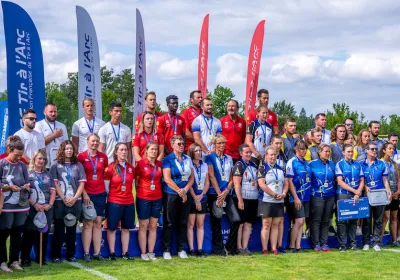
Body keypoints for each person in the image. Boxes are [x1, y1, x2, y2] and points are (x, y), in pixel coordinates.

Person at [51, 140, 86, 263]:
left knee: (71, 230)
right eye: (67, 149)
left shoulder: (78, 165)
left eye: (71, 148)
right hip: (60, 201)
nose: (69, 151)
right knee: (59, 229)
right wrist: (64, 198)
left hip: (75, 201)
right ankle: (56, 255)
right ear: (62, 150)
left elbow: (82, 184)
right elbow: (55, 184)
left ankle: (71, 255)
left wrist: (75, 198)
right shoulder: (55, 165)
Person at [20, 150, 55, 266]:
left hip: (46, 208)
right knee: (29, 232)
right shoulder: (28, 174)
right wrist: (34, 204)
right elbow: (25, 193)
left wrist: (49, 205)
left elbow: (53, 191)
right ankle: (25, 258)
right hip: (32, 207)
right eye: (39, 158)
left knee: (43, 232)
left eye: (44, 159)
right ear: (34, 159)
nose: (42, 161)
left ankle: (41, 258)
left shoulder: (48, 174)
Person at [77, 134, 109, 262]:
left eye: (97, 141)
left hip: (100, 193)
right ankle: (86, 253)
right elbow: (79, 177)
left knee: (97, 223)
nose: (95, 143)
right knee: (88, 223)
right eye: (93, 141)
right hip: (87, 194)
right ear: (87, 142)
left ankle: (97, 253)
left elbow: (104, 175)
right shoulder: (81, 157)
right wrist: (84, 193)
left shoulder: (103, 157)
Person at [0, 138, 30, 272]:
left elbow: (28, 181)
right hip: (6, 205)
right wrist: (8, 188)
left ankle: (14, 261)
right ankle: (1, 262)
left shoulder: (22, 165)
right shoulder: (1, 164)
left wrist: (27, 186)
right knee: (3, 233)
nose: (18, 157)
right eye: (16, 155)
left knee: (17, 233)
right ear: (9, 150)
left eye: (20, 155)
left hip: (21, 205)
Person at [162, 135, 194, 259]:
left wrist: (185, 190)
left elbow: (191, 177)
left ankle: (181, 249)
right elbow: (167, 178)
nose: (182, 146)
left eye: (182, 143)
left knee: (183, 221)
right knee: (169, 222)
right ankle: (166, 250)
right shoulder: (168, 159)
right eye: (179, 144)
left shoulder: (187, 158)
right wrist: (179, 191)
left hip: (185, 193)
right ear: (172, 145)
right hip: (171, 193)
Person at [104, 143, 135, 261]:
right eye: (121, 150)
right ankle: (112, 253)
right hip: (114, 202)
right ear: (116, 152)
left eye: (126, 150)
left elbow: (131, 184)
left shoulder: (131, 168)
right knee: (112, 228)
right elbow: (106, 188)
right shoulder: (110, 168)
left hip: (128, 202)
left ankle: (125, 253)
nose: (124, 152)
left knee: (126, 228)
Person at [206, 135, 234, 256]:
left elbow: (232, 177)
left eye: (223, 143)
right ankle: (218, 249)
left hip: (227, 192)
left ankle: (230, 247)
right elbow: (211, 176)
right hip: (214, 193)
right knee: (216, 221)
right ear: (214, 144)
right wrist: (219, 194)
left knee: (236, 219)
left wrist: (227, 190)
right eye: (219, 143)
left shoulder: (229, 158)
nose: (221, 145)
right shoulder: (209, 157)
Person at [360, 142, 392, 251]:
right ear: (366, 150)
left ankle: (377, 242)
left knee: (378, 220)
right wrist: (364, 186)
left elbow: (385, 180)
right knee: (367, 220)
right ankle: (366, 242)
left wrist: (388, 191)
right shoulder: (361, 164)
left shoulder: (381, 164)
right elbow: (361, 180)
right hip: (366, 195)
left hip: (379, 195)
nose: (374, 151)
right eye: (372, 149)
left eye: (375, 149)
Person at [257, 146, 288, 255]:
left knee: (275, 225)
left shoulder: (281, 169)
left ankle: (274, 248)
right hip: (266, 199)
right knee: (266, 224)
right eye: (271, 154)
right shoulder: (262, 168)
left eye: (275, 155)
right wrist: (274, 194)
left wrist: (283, 193)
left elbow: (286, 184)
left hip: (279, 200)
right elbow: (261, 184)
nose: (273, 157)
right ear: (266, 155)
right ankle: (265, 248)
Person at [135, 142, 163, 261]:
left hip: (157, 198)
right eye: (151, 149)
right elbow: (136, 181)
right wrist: (142, 192)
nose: (154, 151)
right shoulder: (140, 164)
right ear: (146, 151)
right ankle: (143, 252)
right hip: (144, 198)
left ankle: (151, 252)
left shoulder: (160, 164)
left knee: (153, 226)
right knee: (143, 225)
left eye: (156, 149)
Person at [335, 144, 365, 251]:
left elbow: (362, 180)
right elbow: (340, 182)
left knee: (353, 220)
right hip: (343, 194)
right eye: (348, 151)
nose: (350, 153)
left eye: (352, 151)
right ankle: (342, 244)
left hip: (355, 195)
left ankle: (353, 243)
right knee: (342, 220)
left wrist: (358, 193)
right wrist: (355, 191)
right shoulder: (339, 164)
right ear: (343, 152)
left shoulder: (358, 164)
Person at [231, 144, 258, 255]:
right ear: (241, 153)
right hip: (242, 197)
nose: (248, 154)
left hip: (253, 198)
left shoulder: (253, 164)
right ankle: (239, 247)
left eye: (249, 152)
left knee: (248, 223)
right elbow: (236, 183)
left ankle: (245, 247)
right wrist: (240, 200)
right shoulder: (239, 164)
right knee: (241, 223)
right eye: (246, 152)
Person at [309, 143, 336, 252]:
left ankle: (324, 243)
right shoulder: (312, 164)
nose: (328, 153)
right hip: (317, 196)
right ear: (319, 152)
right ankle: (316, 243)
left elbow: (334, 179)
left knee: (326, 220)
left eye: (329, 151)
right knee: (316, 220)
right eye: (325, 151)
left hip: (330, 195)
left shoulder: (332, 164)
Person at [286, 140, 311, 253]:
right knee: (299, 221)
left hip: (306, 196)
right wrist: (295, 197)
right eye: (301, 149)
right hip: (296, 197)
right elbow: (289, 181)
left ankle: (298, 246)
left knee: (302, 222)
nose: (303, 151)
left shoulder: (306, 162)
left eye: (305, 148)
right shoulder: (291, 162)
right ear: (296, 149)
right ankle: (292, 246)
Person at [187, 143, 209, 257]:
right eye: (196, 151)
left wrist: (201, 195)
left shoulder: (204, 165)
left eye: (200, 150)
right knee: (191, 224)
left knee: (200, 224)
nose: (199, 152)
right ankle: (191, 249)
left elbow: (207, 182)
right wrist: (195, 197)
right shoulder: (189, 165)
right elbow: (189, 181)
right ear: (191, 152)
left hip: (202, 197)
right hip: (192, 197)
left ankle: (200, 249)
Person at [35, 102, 69, 168]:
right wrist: (54, 135)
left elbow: (66, 144)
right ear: (44, 112)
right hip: (45, 162)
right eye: (51, 112)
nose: (53, 114)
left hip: (60, 162)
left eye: (55, 112)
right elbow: (39, 143)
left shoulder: (62, 126)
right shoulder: (38, 125)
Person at [379, 142, 400, 246]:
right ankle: (380, 240)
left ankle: (395, 240)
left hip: (395, 194)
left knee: (394, 217)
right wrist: (388, 192)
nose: (392, 150)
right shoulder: (380, 163)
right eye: (390, 148)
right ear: (384, 150)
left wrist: (398, 191)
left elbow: (398, 178)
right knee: (385, 217)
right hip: (385, 195)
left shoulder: (395, 164)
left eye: (393, 149)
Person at [220, 99, 246, 163]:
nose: (230, 108)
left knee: (236, 173)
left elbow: (243, 138)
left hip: (238, 154)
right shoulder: (221, 120)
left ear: (237, 108)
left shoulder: (242, 122)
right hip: (225, 153)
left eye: (233, 106)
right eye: (229, 106)